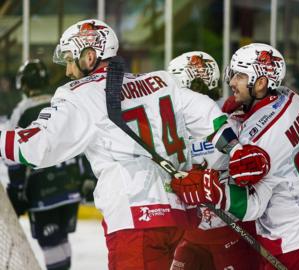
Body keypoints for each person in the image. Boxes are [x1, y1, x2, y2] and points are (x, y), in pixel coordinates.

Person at [0, 20, 268, 270]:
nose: (69, 71)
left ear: (90, 56)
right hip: (178, 218)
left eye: (71, 60)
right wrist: (235, 149)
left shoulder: (79, 94)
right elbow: (206, 111)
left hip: (135, 220)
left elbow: (34, 148)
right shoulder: (161, 82)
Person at [171, 43, 299, 270]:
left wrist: (212, 190)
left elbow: (254, 204)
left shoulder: (252, 135)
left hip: (291, 235)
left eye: (240, 76)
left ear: (260, 83)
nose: (232, 82)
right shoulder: (290, 97)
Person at [168, 51, 259, 270]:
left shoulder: (234, 122)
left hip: (232, 231)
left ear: (190, 83)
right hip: (190, 235)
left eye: (175, 84)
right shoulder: (171, 127)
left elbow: (254, 177)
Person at [6, 59, 91, 270]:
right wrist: (87, 177)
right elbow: (82, 141)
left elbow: (13, 155)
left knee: (51, 243)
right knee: (60, 239)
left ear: (24, 84)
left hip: (42, 190)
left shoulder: (22, 111)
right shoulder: (61, 101)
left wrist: (16, 190)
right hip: (71, 186)